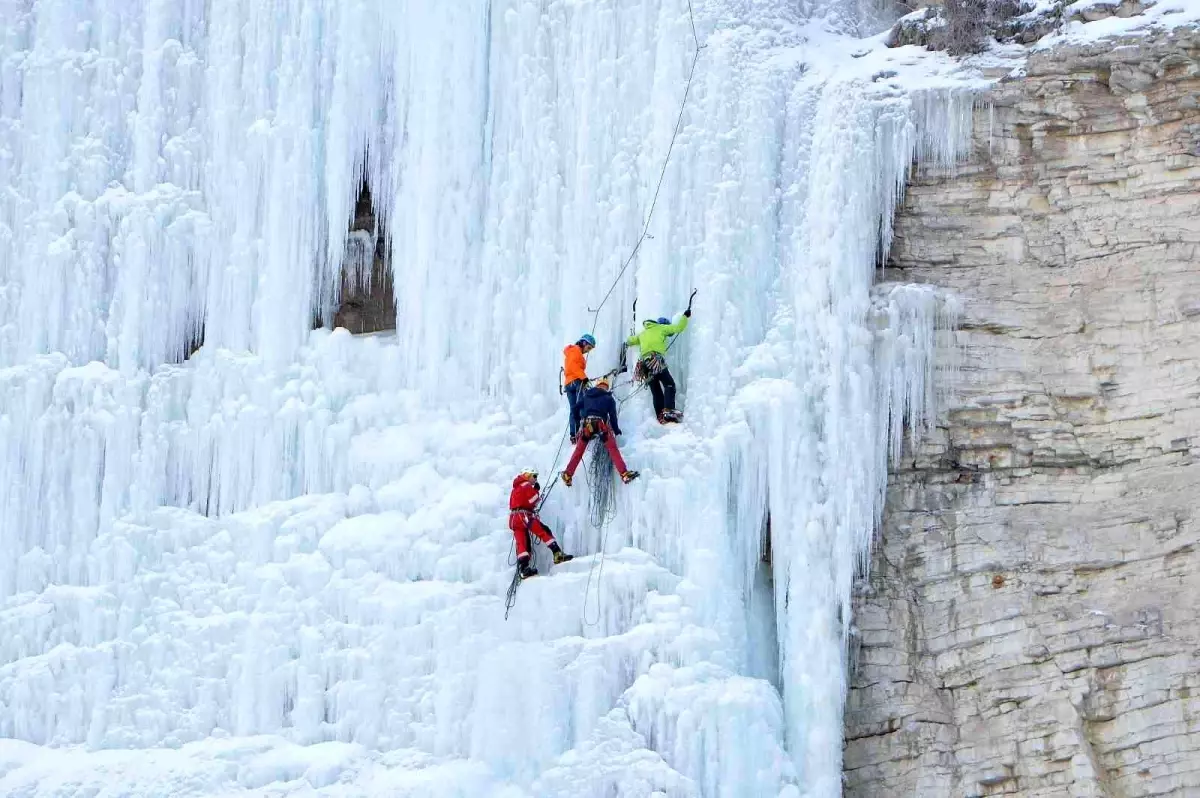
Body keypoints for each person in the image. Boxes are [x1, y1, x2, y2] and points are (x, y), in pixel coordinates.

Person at [560, 378, 639, 486]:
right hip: (601, 425)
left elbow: (574, 408)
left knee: (578, 451)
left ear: (597, 386)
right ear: (606, 387)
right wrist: (616, 430)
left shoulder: (587, 395)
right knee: (612, 449)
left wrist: (578, 420)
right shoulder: (608, 398)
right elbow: (613, 417)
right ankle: (624, 473)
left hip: (587, 426)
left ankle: (567, 474)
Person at [625, 309, 691, 423]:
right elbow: (678, 328)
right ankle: (669, 410)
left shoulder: (643, 333)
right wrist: (685, 316)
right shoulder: (661, 328)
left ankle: (660, 416)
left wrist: (629, 338)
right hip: (655, 360)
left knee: (656, 391)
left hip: (644, 365)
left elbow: (630, 341)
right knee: (669, 384)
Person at [509, 470, 573, 579]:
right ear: (527, 475)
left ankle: (524, 569)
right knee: (543, 530)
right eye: (534, 476)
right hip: (524, 516)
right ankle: (557, 553)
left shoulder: (516, 488)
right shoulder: (526, 485)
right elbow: (534, 500)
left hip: (514, 519)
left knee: (523, 542)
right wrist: (536, 490)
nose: (536, 478)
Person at [563, 334, 596, 443]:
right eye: (588, 348)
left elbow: (571, 366)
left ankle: (573, 435)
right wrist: (584, 378)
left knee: (574, 409)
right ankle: (584, 431)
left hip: (568, 384)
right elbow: (574, 366)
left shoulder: (571, 351)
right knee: (582, 406)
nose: (588, 351)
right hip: (577, 382)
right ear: (584, 343)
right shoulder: (575, 351)